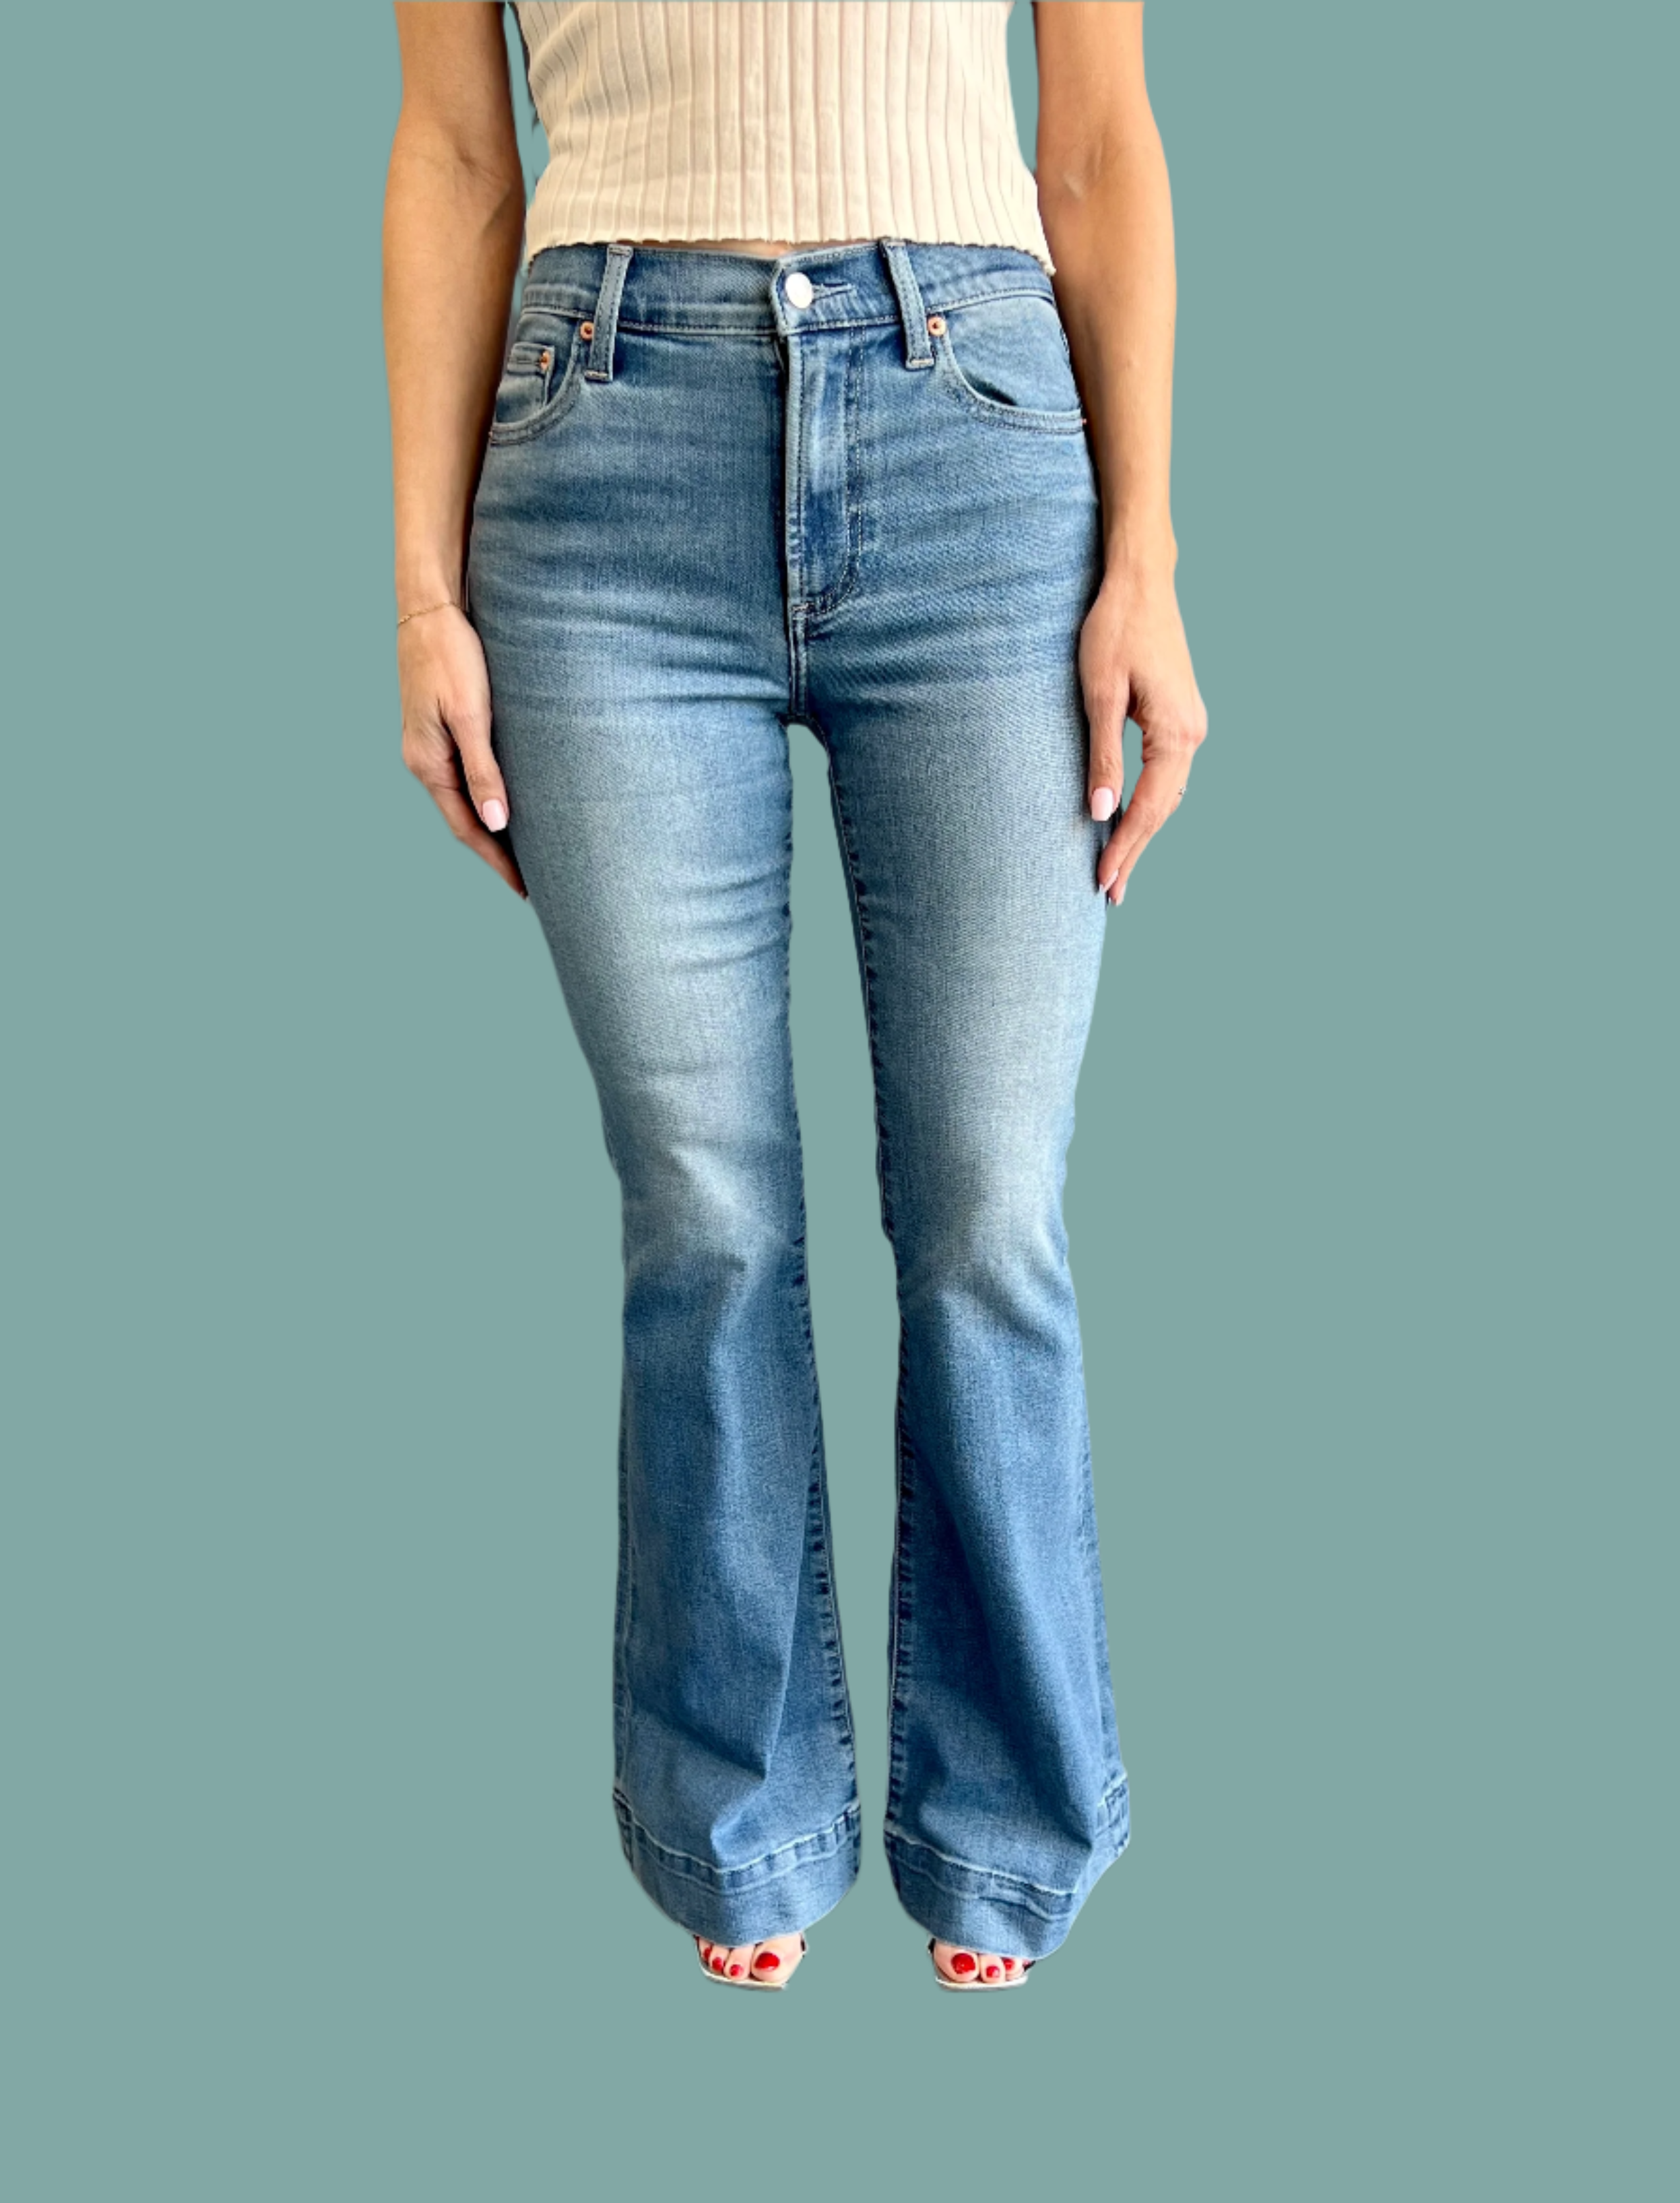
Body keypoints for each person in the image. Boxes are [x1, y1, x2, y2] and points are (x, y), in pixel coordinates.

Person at [383, 0, 1206, 1993]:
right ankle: (739, 1810)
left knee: (990, 1203)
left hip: (974, 438)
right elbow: (457, 155)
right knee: (706, 1209)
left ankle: (1000, 1823)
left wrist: (1150, 558)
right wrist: (418, 592)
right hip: (601, 460)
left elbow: (1096, 144)